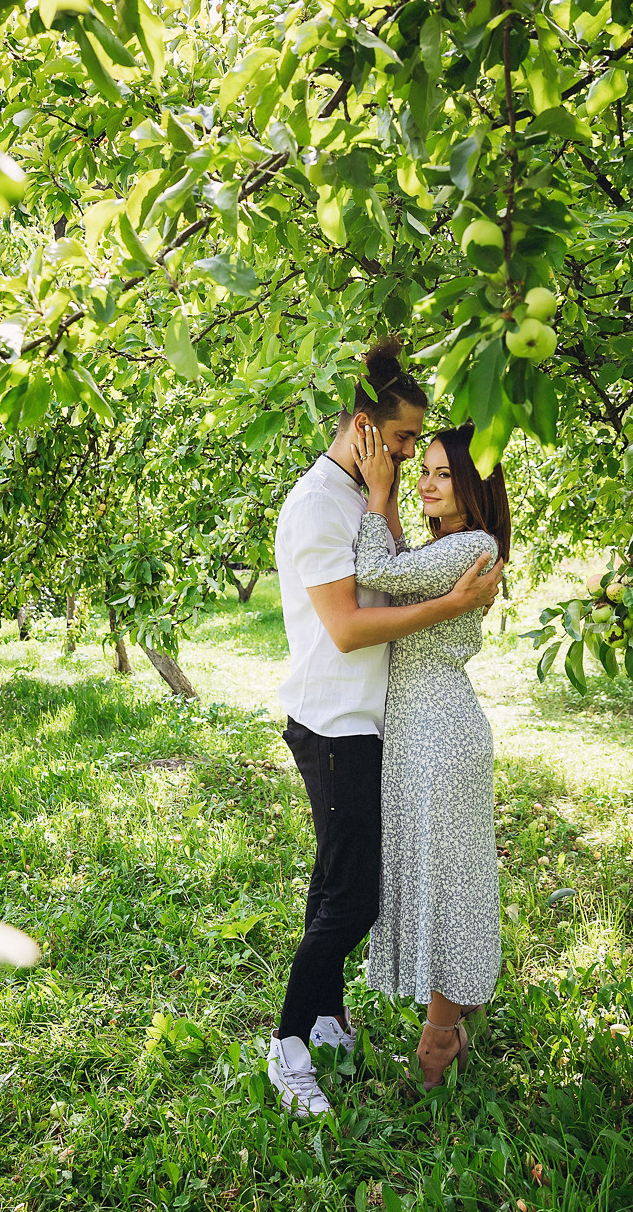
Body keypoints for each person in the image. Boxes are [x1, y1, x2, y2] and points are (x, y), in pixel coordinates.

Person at [264, 339, 503, 1118]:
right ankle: (287, 1045)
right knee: (354, 899)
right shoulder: (319, 504)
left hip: (374, 726)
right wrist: (450, 606)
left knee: (335, 884)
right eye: (404, 440)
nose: (408, 455)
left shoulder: (365, 497)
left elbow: (391, 576)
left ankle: (325, 1020)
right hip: (334, 724)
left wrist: (385, 499)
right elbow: (347, 627)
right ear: (366, 427)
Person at [352, 421, 512, 1088]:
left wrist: (376, 492)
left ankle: (438, 1042)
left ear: (476, 486)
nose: (426, 482)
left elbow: (376, 571)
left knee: (447, 885)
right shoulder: (449, 547)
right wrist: (391, 498)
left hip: (440, 736)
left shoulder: (472, 545)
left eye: (444, 474)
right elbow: (397, 569)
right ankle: (450, 1023)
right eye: (426, 469)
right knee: (438, 877)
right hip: (424, 731)